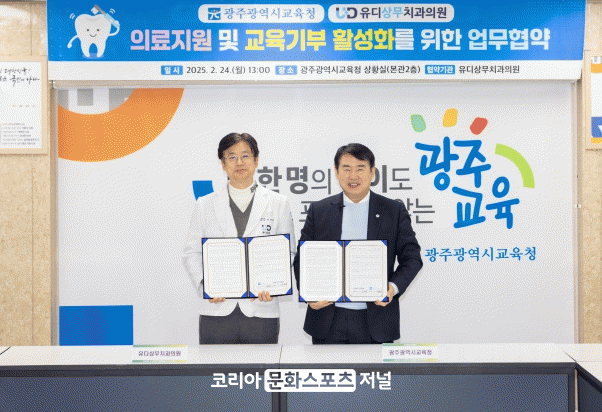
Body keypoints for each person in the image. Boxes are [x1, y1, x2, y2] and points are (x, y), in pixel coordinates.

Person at [293, 143, 422, 344]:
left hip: (375, 319)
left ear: (372, 172)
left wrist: (392, 288)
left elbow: (412, 258)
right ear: (336, 172)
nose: (353, 176)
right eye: (346, 168)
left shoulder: (393, 211)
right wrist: (309, 294)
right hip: (328, 317)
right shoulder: (319, 210)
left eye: (360, 168)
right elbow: (302, 259)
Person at [183, 132, 296, 344]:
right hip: (216, 311)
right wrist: (206, 286)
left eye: (245, 156)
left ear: (256, 160)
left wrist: (274, 284)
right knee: (214, 366)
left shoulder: (278, 203)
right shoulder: (204, 204)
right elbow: (192, 253)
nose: (239, 162)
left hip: (261, 310)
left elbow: (288, 251)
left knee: (261, 367)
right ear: (223, 164)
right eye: (232, 157)